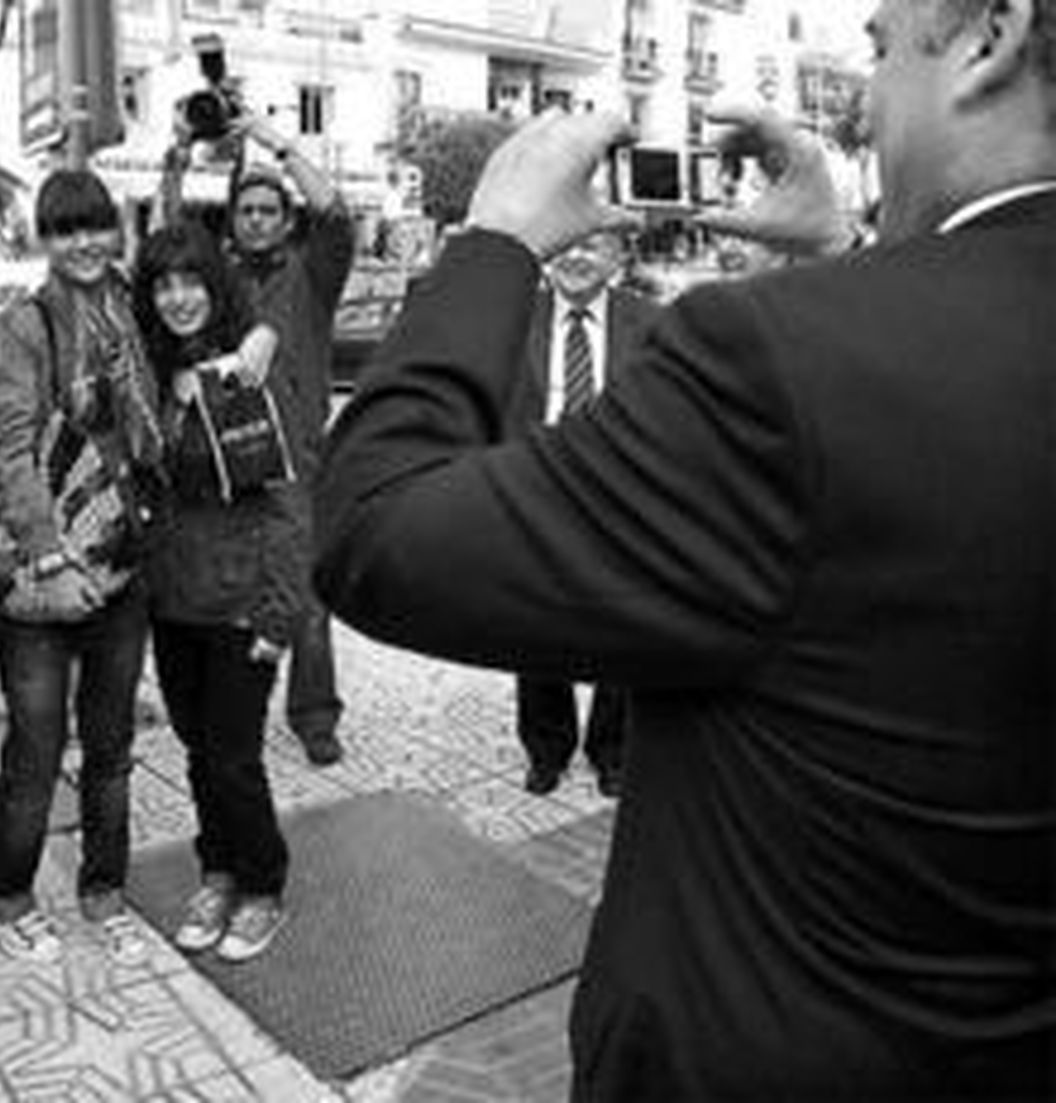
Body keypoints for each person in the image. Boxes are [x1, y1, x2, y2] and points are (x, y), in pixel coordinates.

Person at [314, 0, 1055, 1096]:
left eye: (883, 46)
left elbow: (378, 528)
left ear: (990, 35)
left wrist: (495, 239)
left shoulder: (769, 358)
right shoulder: (847, 347)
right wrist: (855, 255)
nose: (869, 93)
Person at [0, 169, 159, 968]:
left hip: (122, 559)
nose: (84, 243)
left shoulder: (135, 311)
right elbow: (9, 443)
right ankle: (7, 893)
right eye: (64, 230)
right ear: (43, 239)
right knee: (38, 745)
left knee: (112, 746)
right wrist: (46, 551)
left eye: (95, 227)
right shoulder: (28, 323)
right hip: (42, 565)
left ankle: (103, 889)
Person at [132, 220, 303, 962]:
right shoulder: (148, 372)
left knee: (235, 756)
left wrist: (280, 610)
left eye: (191, 281)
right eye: (163, 284)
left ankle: (262, 883)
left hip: (241, 603)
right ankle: (217, 868)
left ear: (216, 284)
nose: (178, 298)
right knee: (200, 751)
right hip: (173, 602)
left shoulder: (248, 371)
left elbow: (291, 504)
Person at [162, 112, 354, 766]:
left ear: (285, 217)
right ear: (233, 217)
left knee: (305, 587)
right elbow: (170, 241)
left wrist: (280, 144)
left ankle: (315, 715)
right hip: (229, 450)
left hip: (297, 457)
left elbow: (334, 213)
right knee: (237, 582)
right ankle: (232, 700)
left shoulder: (313, 273)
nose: (258, 219)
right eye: (247, 209)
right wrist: (179, 154)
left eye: (271, 209)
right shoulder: (217, 277)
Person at [505, 231, 658, 799]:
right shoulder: (515, 318)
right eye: (567, 243)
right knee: (536, 629)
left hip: (620, 500)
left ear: (619, 258)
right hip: (536, 494)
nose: (575, 256)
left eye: (594, 247)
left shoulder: (650, 322)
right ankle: (546, 748)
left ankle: (612, 749)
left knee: (618, 629)